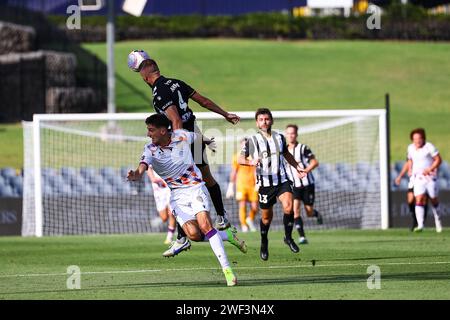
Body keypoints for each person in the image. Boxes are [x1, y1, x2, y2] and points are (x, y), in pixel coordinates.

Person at [129, 50, 241, 255]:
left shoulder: (158, 93)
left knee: (179, 188)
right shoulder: (176, 82)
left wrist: (179, 146)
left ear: (145, 76)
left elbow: (175, 120)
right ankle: (221, 217)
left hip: (183, 140)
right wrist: (225, 114)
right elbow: (203, 101)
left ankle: (182, 238)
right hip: (194, 133)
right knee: (207, 177)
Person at [127, 114, 247, 286]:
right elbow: (142, 168)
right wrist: (135, 175)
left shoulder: (180, 135)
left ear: (163, 131)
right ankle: (226, 235)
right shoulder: (149, 149)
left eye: (151, 130)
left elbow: (196, 136)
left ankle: (228, 271)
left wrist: (208, 142)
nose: (148, 134)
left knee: (206, 225)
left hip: (196, 187)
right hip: (176, 195)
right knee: (195, 235)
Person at [238, 108, 305, 261]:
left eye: (267, 119)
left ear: (271, 121)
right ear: (257, 122)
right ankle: (264, 242)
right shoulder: (252, 141)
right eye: (261, 119)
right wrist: (251, 162)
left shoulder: (280, 138)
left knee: (289, 206)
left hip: (282, 180)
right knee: (266, 217)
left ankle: (288, 237)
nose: (264, 122)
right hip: (265, 184)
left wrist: (297, 167)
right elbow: (241, 159)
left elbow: (286, 154)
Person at [284, 124, 323, 245]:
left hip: (307, 184)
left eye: (293, 133)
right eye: (289, 133)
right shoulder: (283, 150)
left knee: (309, 211)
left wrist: (306, 170)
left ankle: (316, 214)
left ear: (296, 134)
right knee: (295, 210)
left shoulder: (303, 148)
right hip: (294, 186)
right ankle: (302, 237)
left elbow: (315, 162)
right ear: (286, 134)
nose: (291, 135)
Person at [406, 128, 442, 233]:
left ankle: (438, 221)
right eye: (415, 139)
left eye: (419, 138)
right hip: (418, 178)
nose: (417, 141)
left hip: (430, 177)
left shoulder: (429, 147)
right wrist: (409, 169)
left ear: (423, 138)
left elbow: (438, 160)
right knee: (419, 198)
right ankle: (420, 225)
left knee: (433, 199)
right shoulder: (410, 148)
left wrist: (430, 169)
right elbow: (410, 159)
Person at [226, 138, 259, 232]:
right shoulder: (237, 156)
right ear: (241, 145)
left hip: (253, 185)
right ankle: (244, 226)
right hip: (241, 184)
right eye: (244, 145)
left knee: (255, 206)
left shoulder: (254, 155)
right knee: (242, 204)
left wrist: (258, 182)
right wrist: (231, 186)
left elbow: (257, 170)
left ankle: (250, 219)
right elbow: (234, 171)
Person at [395, 160, 428, 231]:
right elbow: (408, 163)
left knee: (422, 200)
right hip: (413, 179)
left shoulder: (427, 149)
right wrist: (400, 176)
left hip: (424, 178)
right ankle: (415, 220)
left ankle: (421, 223)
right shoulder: (411, 150)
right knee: (410, 200)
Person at [147, 167, 176, 244]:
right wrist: (153, 178)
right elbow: (147, 166)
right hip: (158, 189)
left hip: (169, 185)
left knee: (171, 211)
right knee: (164, 217)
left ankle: (169, 237)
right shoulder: (152, 155)